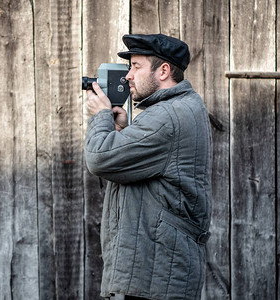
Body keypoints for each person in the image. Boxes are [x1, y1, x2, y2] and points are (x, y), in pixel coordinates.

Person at [84, 34, 212, 300]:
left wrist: (100, 117)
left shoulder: (168, 115)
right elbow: (151, 172)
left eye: (136, 66)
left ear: (163, 70)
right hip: (155, 272)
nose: (128, 76)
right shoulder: (178, 109)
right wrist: (122, 129)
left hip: (156, 276)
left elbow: (99, 157)